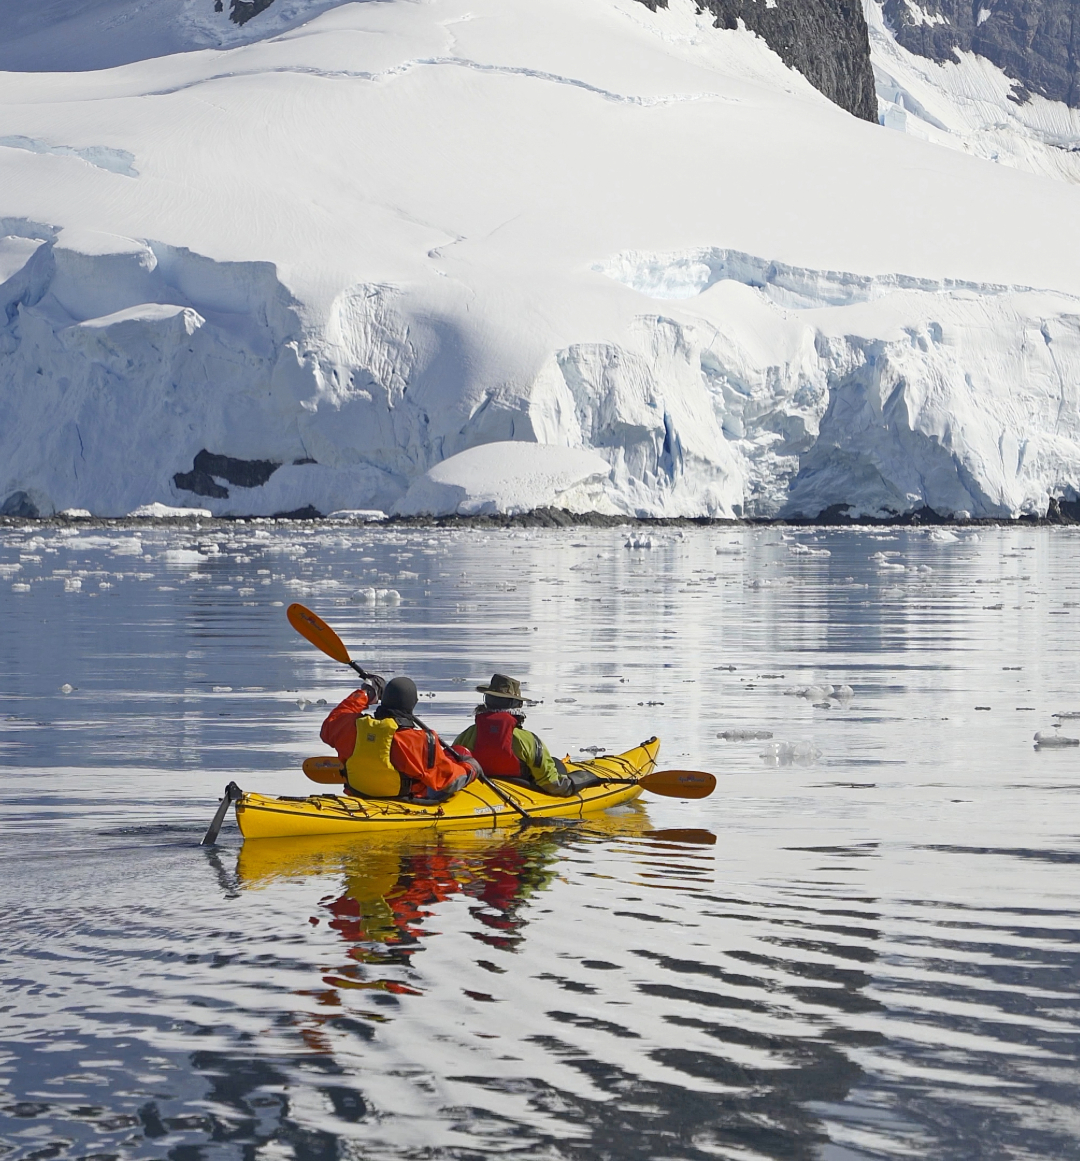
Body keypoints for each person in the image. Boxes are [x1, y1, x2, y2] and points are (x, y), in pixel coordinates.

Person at [321, 674, 480, 802]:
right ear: (413, 704)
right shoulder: (418, 741)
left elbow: (336, 719)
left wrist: (367, 693)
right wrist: (471, 768)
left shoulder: (350, 728)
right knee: (455, 757)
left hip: (359, 792)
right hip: (405, 801)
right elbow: (448, 781)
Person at [454, 673, 575, 796]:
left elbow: (452, 770)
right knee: (555, 762)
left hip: (478, 792)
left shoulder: (467, 736)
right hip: (519, 794)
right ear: (516, 705)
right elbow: (551, 784)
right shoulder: (527, 740)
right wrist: (574, 786)